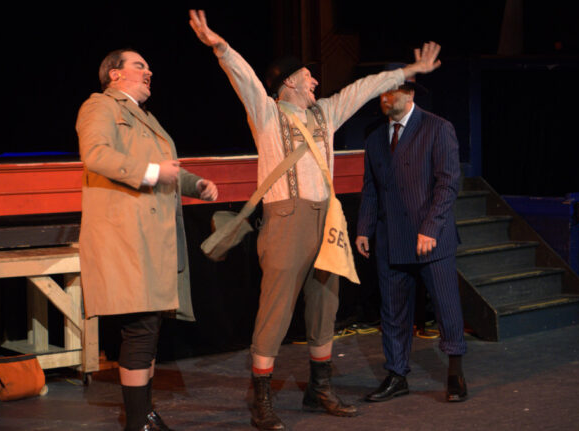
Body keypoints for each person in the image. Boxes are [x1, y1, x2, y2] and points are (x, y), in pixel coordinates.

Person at [189, 9, 442, 430]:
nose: (315, 83)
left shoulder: (325, 112)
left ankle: (318, 389)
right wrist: (220, 46)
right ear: (289, 81)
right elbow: (244, 77)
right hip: (286, 220)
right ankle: (261, 397)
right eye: (308, 76)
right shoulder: (267, 113)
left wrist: (408, 70)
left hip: (326, 220)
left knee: (326, 305)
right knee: (276, 310)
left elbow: (363, 88)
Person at [76, 48, 218, 431]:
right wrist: (155, 172)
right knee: (139, 329)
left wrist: (195, 183)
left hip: (152, 239)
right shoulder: (100, 107)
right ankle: (136, 422)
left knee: (149, 328)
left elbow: (167, 169)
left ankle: (145, 413)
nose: (149, 71)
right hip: (127, 237)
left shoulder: (146, 117)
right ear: (114, 75)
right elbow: (96, 155)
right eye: (139, 65)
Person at [355, 71, 467, 403]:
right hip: (391, 238)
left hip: (431, 238)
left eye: (390, 92)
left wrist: (430, 228)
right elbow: (371, 187)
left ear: (409, 94)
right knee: (392, 311)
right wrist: (364, 228)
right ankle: (396, 375)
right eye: (381, 93)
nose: (384, 99)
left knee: (446, 306)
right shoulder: (375, 138)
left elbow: (448, 183)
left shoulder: (437, 128)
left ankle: (455, 372)